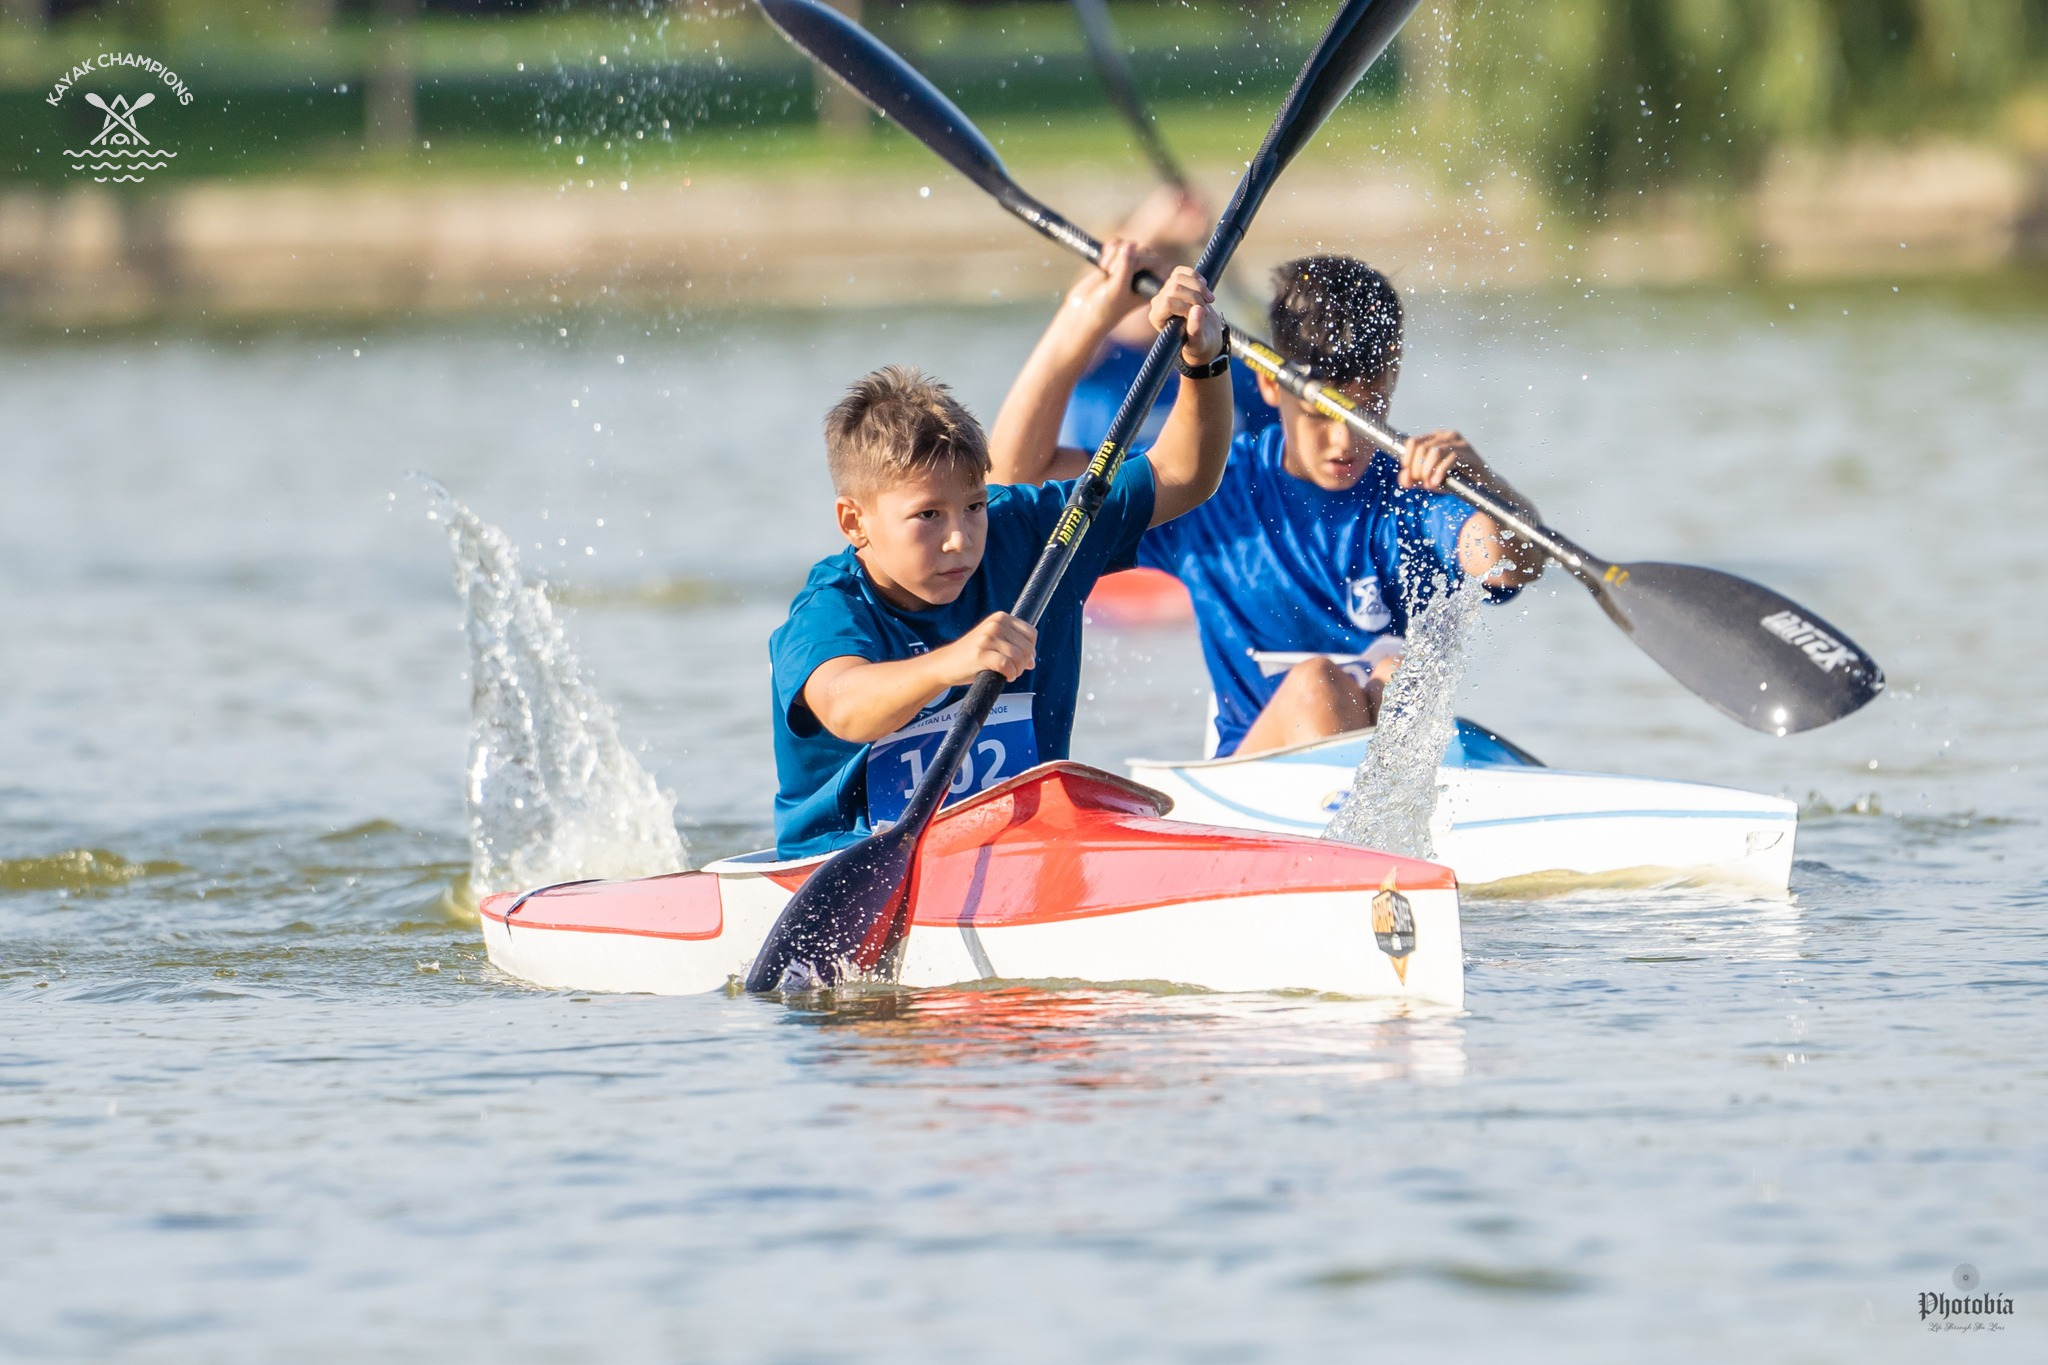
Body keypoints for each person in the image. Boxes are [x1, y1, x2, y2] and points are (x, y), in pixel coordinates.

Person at [989, 253, 1544, 759]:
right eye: (1324, 413)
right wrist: (1085, 318)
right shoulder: (1211, 487)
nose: (1344, 442)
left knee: (1402, 678)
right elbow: (1017, 476)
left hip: (1376, 775)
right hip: (1246, 782)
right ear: (1271, 386)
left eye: (1368, 408)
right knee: (1316, 687)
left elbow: (1511, 563)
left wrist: (1486, 484)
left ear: (1392, 378)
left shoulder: (1409, 492)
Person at [769, 265, 1232, 859]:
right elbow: (845, 706)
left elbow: (1183, 475)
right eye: (927, 516)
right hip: (850, 862)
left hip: (1018, 850)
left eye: (973, 506)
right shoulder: (829, 611)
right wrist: (952, 662)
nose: (959, 539)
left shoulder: (1030, 533)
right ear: (854, 522)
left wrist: (1203, 361)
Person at [1056, 185, 1278, 450]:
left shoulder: (1231, 366)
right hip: (1116, 477)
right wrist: (1149, 224)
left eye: (1160, 273)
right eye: (1135, 278)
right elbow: (1073, 326)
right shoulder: (1100, 363)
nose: (1151, 292)